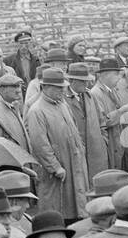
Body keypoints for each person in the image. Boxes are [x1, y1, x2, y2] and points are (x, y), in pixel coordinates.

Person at [26, 69, 89, 222]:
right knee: (59, 207)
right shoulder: (36, 110)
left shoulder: (62, 105)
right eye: (58, 87)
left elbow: (73, 129)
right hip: (58, 169)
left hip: (73, 163)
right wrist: (55, 167)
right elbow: (40, 145)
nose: (62, 90)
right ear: (45, 87)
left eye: (63, 87)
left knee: (76, 205)